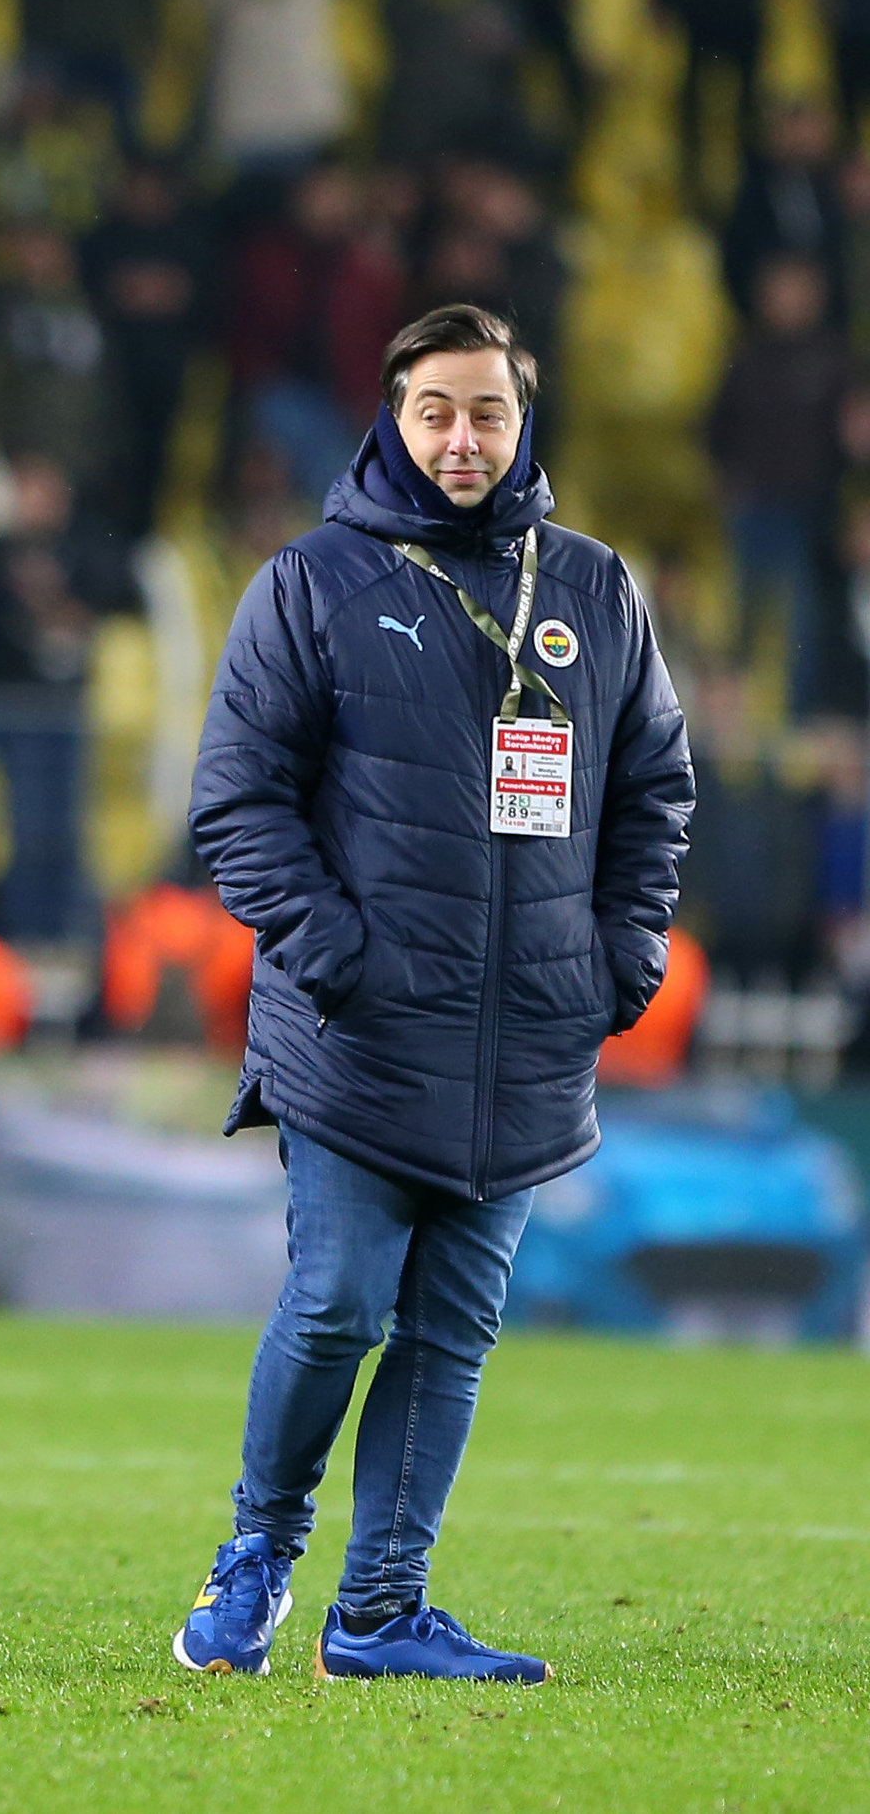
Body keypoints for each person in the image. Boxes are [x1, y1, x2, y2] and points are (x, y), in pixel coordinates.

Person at [178, 304, 693, 1682]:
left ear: (524, 424)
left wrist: (618, 953)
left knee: (453, 1332)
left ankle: (381, 1610)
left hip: (526, 1043)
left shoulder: (593, 588)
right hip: (353, 1038)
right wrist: (337, 952)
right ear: (393, 422)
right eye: (436, 413)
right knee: (339, 1300)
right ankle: (260, 1551)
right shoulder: (312, 582)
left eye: (488, 414)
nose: (462, 439)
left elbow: (655, 790)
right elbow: (236, 803)